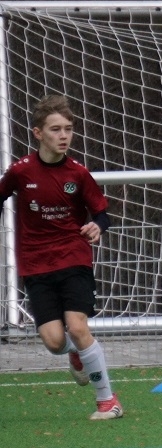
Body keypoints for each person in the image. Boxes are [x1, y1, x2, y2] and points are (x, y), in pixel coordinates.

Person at [0, 94, 123, 420]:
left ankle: (108, 401)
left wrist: (97, 226)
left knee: (78, 327)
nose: (64, 135)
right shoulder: (20, 171)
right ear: (38, 133)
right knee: (55, 342)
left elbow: (102, 214)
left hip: (73, 257)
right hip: (35, 263)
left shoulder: (78, 173)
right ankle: (78, 354)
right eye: (56, 129)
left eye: (68, 129)